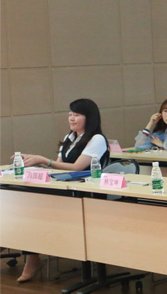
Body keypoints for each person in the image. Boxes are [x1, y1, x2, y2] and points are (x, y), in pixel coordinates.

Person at [15, 99, 109, 283]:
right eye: (70, 114)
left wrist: (45, 160)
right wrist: (36, 162)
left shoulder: (97, 139)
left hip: (85, 193)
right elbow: (59, 166)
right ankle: (29, 254)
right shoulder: (70, 137)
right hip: (65, 187)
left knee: (36, 210)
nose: (71, 119)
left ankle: (32, 259)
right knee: (28, 205)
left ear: (89, 117)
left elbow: (76, 167)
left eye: (76, 115)